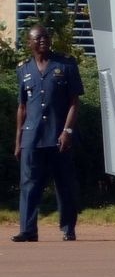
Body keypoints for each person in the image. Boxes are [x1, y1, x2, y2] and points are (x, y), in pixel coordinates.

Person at [12, 25, 84, 242]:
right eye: (38, 38)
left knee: (64, 183)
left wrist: (67, 131)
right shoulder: (23, 69)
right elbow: (22, 107)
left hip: (58, 135)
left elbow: (74, 102)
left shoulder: (66, 64)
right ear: (29, 43)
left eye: (46, 37)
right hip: (32, 137)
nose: (43, 40)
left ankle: (68, 227)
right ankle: (28, 229)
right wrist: (18, 141)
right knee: (29, 183)